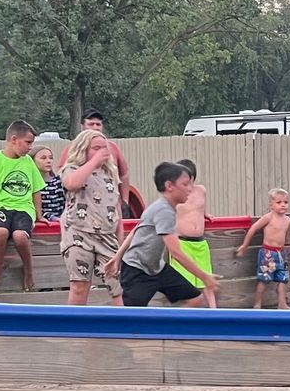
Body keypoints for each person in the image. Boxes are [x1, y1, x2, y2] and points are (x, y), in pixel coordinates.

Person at [109, 161, 216, 307]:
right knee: (133, 315)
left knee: (195, 299)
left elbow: (137, 229)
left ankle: (170, 323)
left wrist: (117, 256)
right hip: (137, 270)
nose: (190, 189)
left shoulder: (167, 208)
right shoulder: (163, 211)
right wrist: (204, 276)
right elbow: (176, 252)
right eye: (185, 184)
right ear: (169, 186)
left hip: (157, 268)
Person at [58, 128, 124, 306]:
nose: (102, 152)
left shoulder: (110, 173)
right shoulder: (71, 169)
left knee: (116, 285)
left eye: (104, 148)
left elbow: (116, 207)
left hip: (107, 237)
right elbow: (72, 184)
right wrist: (93, 161)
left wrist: (120, 243)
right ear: (83, 149)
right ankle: (75, 322)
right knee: (80, 285)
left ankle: (123, 321)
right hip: (79, 234)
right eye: (96, 148)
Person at [0, 120, 44, 291]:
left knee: (20, 236)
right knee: (0, 232)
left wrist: (39, 215)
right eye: (28, 142)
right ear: (14, 139)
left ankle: (28, 269)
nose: (30, 147)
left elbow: (36, 189)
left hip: (23, 208)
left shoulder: (28, 162)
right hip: (0, 206)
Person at [168, 157, 217, 308]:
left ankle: (215, 313)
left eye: (190, 179)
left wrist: (205, 214)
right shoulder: (174, 195)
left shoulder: (201, 190)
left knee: (207, 280)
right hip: (182, 242)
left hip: (200, 243)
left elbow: (200, 206)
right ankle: (184, 316)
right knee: (185, 283)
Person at [236, 188, 290, 309]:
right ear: (271, 205)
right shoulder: (268, 217)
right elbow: (253, 228)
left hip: (281, 254)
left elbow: (285, 236)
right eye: (279, 202)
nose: (283, 205)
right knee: (264, 279)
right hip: (268, 253)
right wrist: (245, 245)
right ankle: (257, 303)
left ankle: (282, 303)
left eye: (285, 202)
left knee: (283, 278)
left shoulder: (288, 221)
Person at [32, 144, 66, 224]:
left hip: (61, 223)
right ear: (32, 161)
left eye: (51, 158)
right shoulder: (30, 183)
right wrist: (51, 217)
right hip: (41, 224)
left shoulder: (59, 181)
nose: (48, 161)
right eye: (43, 158)